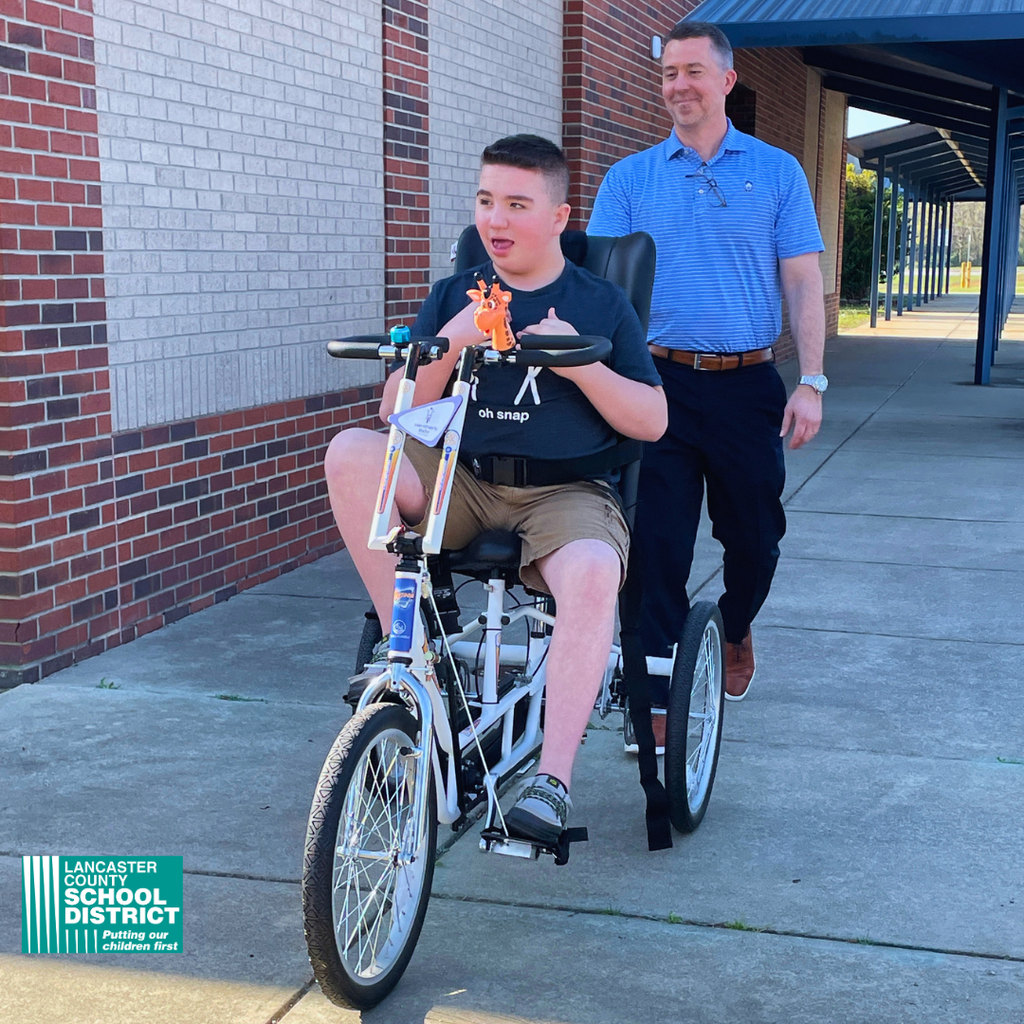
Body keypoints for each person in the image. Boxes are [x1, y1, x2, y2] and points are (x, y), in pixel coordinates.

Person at [324, 134, 667, 844]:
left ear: (558, 217)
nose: (496, 219)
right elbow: (396, 411)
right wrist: (453, 338)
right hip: (460, 479)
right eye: (485, 201)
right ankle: (413, 661)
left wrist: (576, 361)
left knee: (597, 571)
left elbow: (654, 421)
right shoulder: (456, 292)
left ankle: (552, 782)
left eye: (516, 204)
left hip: (563, 492)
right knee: (351, 452)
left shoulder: (600, 302)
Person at [588, 20, 827, 732]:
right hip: (655, 386)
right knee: (656, 543)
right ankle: (655, 698)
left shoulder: (778, 171)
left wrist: (811, 379)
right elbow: (602, 287)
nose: (679, 85)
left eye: (693, 71)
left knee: (754, 537)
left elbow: (804, 281)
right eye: (668, 73)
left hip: (747, 384)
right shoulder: (630, 179)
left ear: (726, 81)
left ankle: (735, 624)